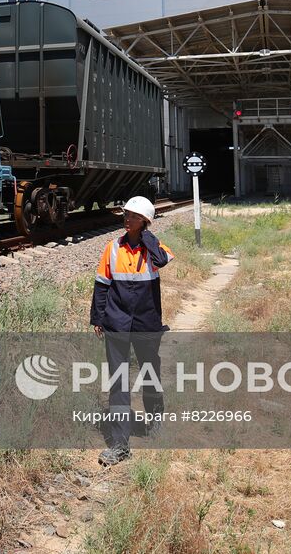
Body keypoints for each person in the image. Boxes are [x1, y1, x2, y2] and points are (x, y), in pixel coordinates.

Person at [89, 195, 174, 466]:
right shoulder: (112, 248)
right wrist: (98, 318)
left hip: (146, 323)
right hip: (117, 321)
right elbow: (102, 285)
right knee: (118, 381)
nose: (127, 219)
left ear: (145, 221)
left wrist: (147, 237)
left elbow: (163, 260)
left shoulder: (154, 247)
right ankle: (120, 443)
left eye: (134, 216)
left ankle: (156, 421)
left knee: (150, 372)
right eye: (126, 214)